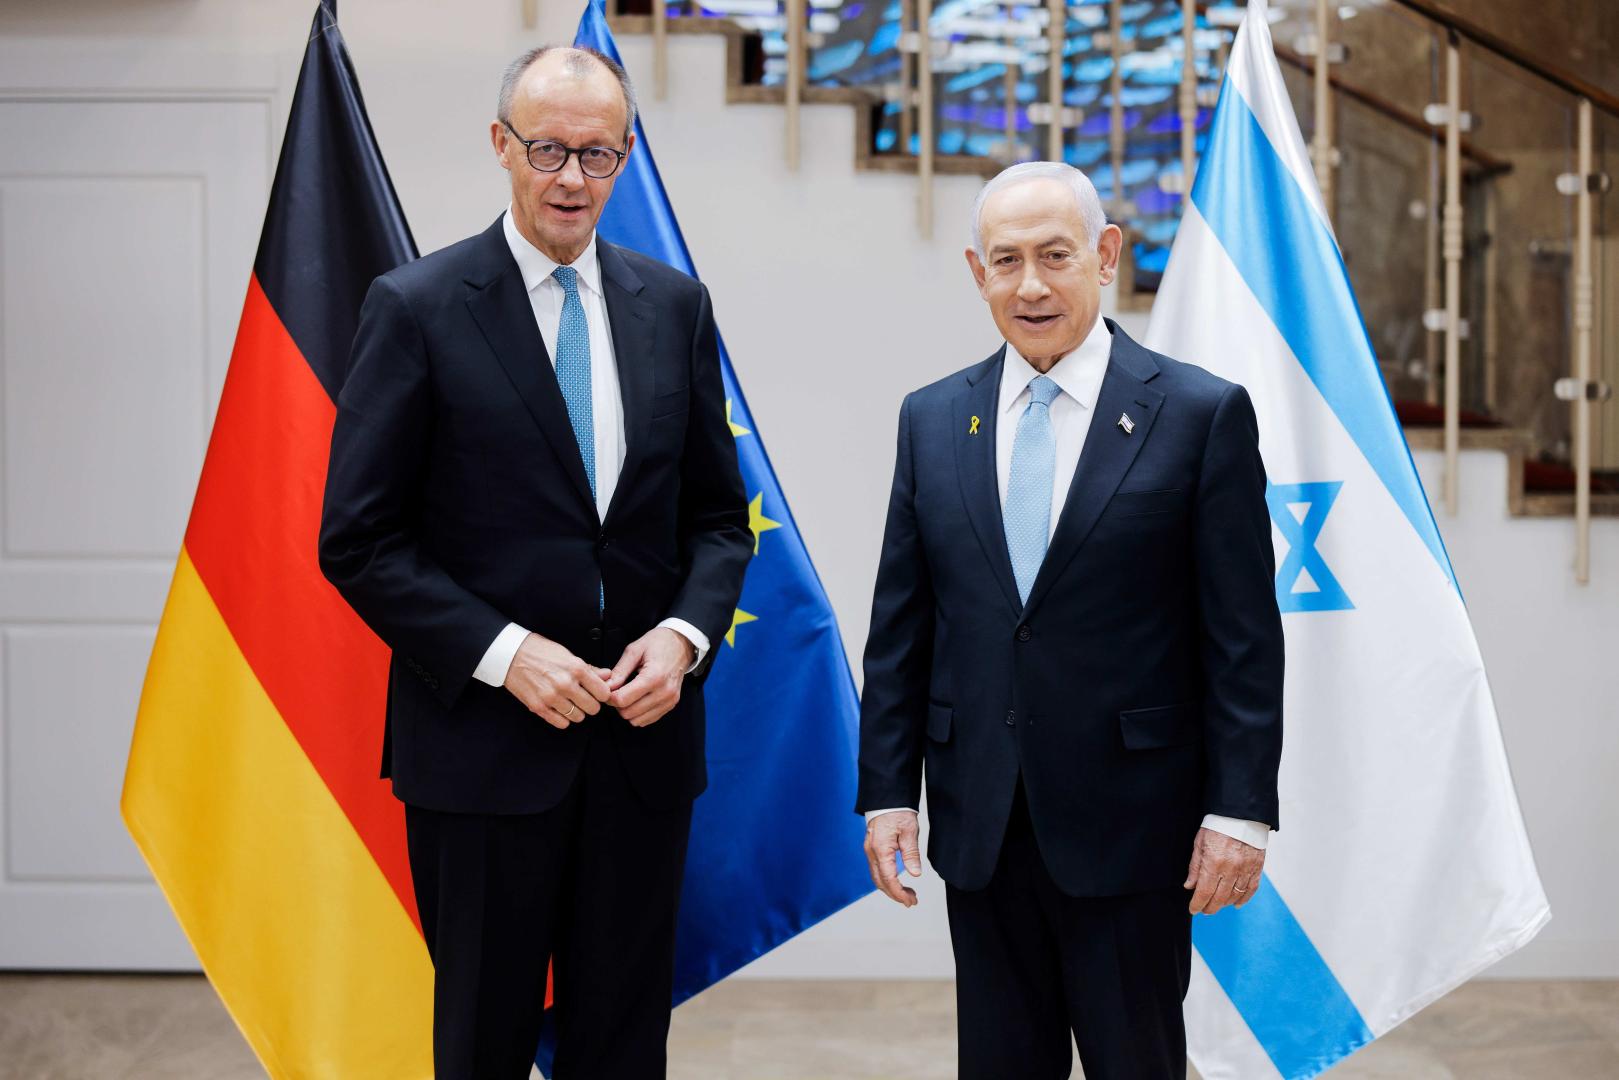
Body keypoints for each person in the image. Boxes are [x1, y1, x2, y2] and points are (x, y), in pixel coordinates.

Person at [318, 45, 751, 1080]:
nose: (569, 178)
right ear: (501, 146)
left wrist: (684, 638)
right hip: (478, 753)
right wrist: (504, 652)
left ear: (626, 158)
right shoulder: (415, 307)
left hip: (639, 751)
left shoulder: (674, 307)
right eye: (548, 148)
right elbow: (359, 539)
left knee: (623, 1041)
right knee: (480, 1039)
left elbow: (717, 521)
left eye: (596, 155)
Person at [857, 161, 1284, 1079]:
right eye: (1005, 261)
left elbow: (1243, 640)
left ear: (1104, 254)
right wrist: (888, 793)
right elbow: (902, 627)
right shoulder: (932, 419)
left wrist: (1240, 813)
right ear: (977, 273)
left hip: (1133, 828)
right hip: (979, 823)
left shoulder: (1200, 415)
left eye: (1055, 255)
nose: (1031, 285)